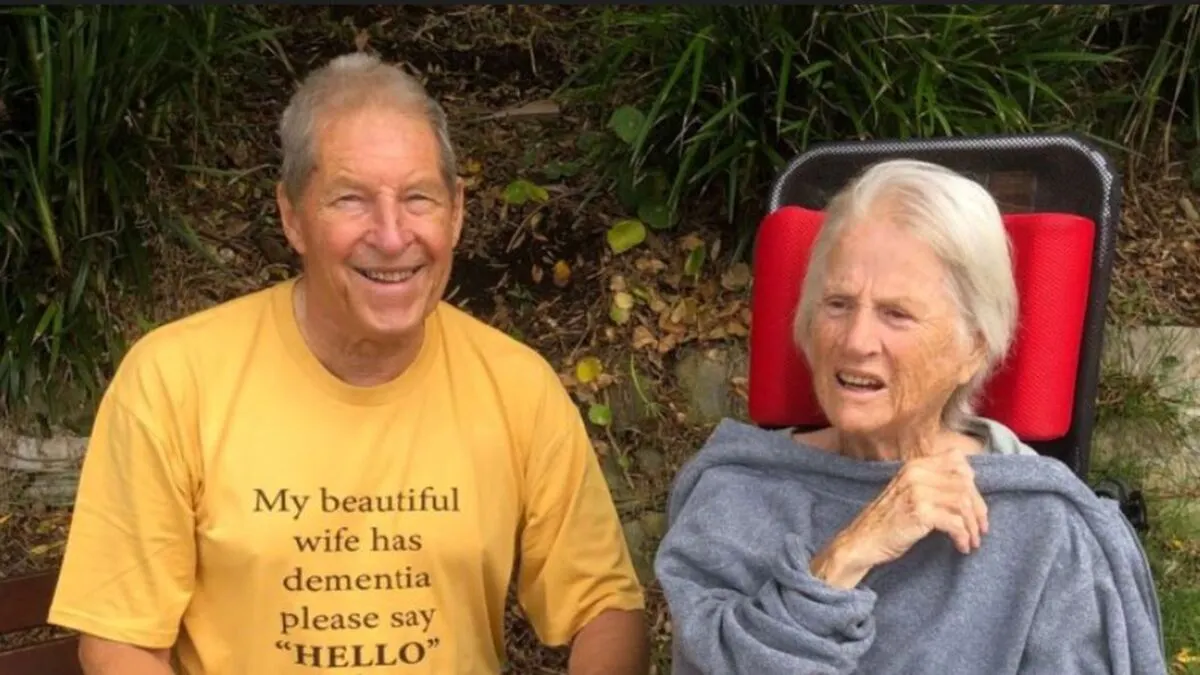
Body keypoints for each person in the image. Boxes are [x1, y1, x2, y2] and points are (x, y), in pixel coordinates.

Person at [47, 52, 649, 675]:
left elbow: (604, 606)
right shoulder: (174, 380)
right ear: (292, 216)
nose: (392, 236)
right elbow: (120, 641)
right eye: (350, 200)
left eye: (418, 198)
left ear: (458, 210)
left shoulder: (516, 385)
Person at [653, 159, 1166, 674]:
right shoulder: (733, 495)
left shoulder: (1044, 529)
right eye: (837, 303)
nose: (855, 341)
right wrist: (843, 560)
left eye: (896, 314)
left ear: (973, 348)